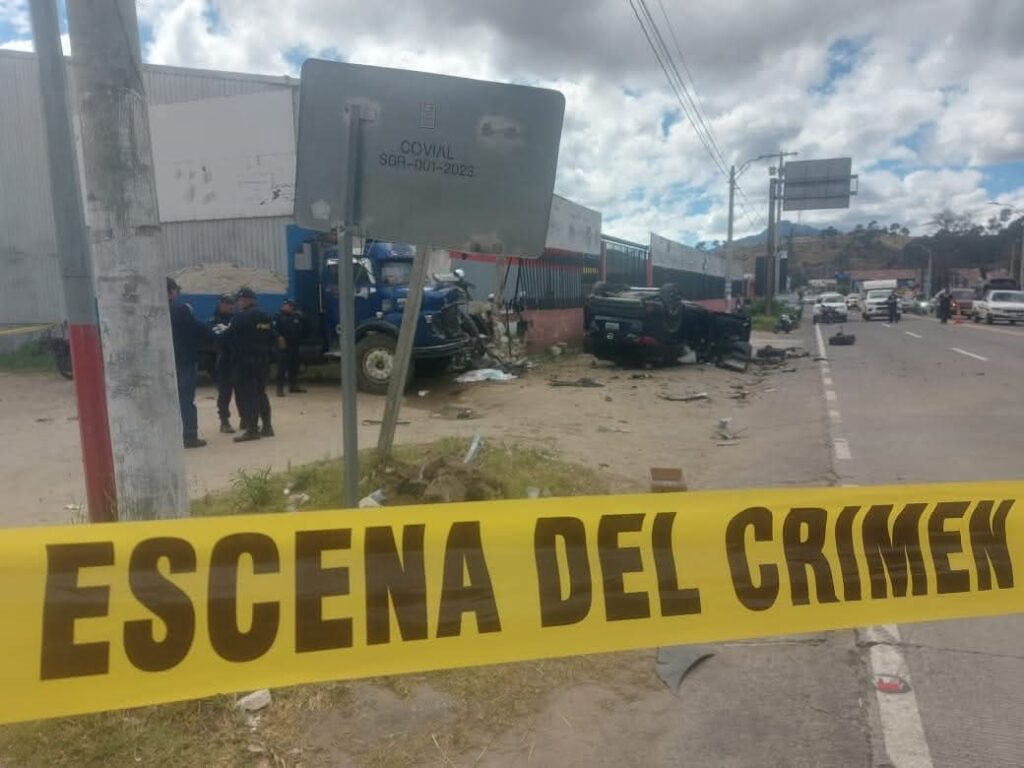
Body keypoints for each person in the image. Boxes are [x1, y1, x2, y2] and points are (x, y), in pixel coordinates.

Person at [220, 286, 276, 442]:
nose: (237, 304)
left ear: (245, 300)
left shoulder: (240, 318)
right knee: (261, 393)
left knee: (249, 395)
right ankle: (267, 427)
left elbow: (228, 339)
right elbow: (273, 337)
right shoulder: (265, 316)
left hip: (245, 361)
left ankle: (252, 430)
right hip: (263, 360)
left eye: (238, 300)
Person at [167, 277, 216, 448]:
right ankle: (189, 436)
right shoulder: (180, 309)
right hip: (184, 360)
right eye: (176, 290)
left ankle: (169, 435)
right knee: (185, 399)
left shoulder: (151, 310)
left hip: (165, 362)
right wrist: (215, 337)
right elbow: (197, 328)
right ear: (171, 291)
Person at [210, 293, 238, 433]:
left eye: (232, 304)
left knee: (242, 391)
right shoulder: (214, 321)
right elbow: (220, 339)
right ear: (221, 304)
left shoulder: (237, 319)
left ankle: (246, 419)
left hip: (238, 359)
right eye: (227, 304)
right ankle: (224, 421)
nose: (230, 306)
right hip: (224, 360)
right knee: (225, 392)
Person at [274, 299, 307, 397]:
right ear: (284, 305)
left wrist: (301, 316)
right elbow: (274, 330)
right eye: (290, 306)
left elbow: (304, 327)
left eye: (293, 306)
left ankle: (293, 385)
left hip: (294, 344)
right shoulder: (278, 316)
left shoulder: (295, 316)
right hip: (284, 345)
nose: (291, 308)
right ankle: (279, 389)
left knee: (294, 366)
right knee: (282, 368)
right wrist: (279, 338)